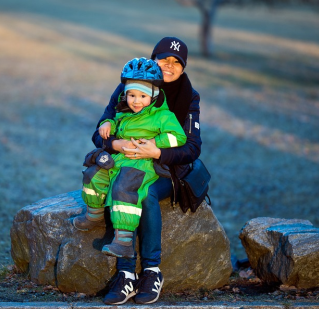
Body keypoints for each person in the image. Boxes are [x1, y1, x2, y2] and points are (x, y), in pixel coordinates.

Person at [90, 37, 202, 305]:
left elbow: (193, 148)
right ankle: (126, 275)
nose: (170, 66)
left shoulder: (189, 96)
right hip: (129, 160)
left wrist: (157, 152)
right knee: (120, 183)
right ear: (153, 59)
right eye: (164, 59)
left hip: (169, 169)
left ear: (183, 68)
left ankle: (151, 271)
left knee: (144, 193)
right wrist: (114, 143)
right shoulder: (129, 85)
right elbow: (101, 130)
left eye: (177, 63)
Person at [73, 57, 187, 261]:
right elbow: (114, 123)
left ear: (153, 96)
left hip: (142, 163)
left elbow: (178, 137)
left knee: (123, 188)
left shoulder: (163, 116)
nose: (135, 101)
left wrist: (154, 142)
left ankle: (124, 241)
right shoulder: (123, 112)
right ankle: (94, 214)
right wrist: (107, 123)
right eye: (131, 95)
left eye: (142, 96)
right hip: (120, 158)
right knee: (93, 174)